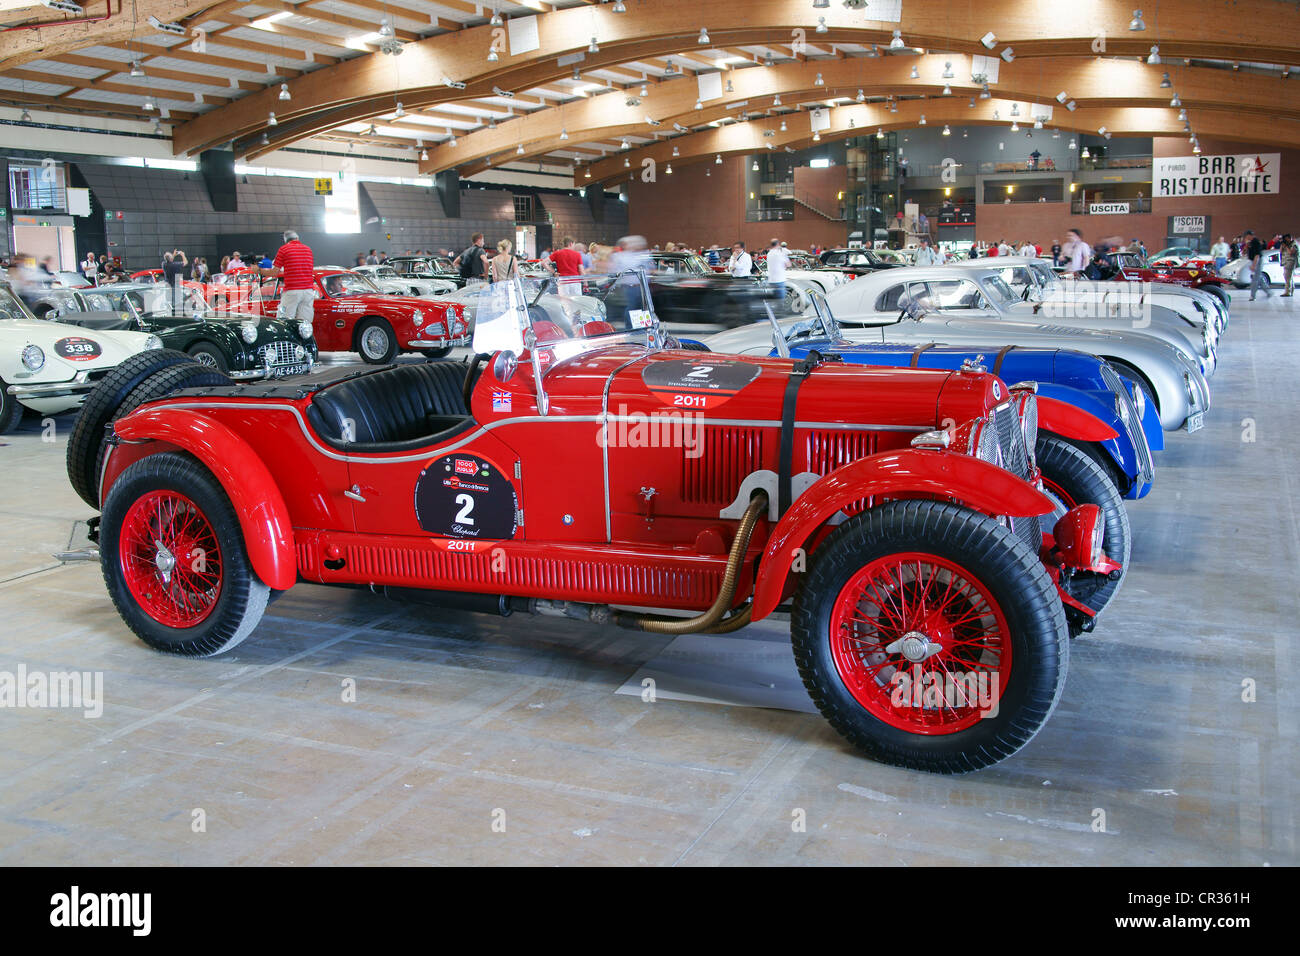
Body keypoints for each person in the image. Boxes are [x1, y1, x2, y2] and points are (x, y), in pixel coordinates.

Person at [262, 230, 316, 325]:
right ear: (297, 238)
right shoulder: (308, 249)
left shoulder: (284, 249)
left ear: (285, 240)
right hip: (308, 291)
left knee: (284, 321)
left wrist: (259, 271)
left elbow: (274, 272)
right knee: (305, 324)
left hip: (292, 291)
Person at [1245, 230, 1271, 300]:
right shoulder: (1251, 243)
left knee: (1255, 279)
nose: (1246, 238)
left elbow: (1257, 255)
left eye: (1247, 236)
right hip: (1254, 261)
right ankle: (1269, 292)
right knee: (1259, 278)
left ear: (1250, 235)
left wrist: (1254, 265)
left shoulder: (1256, 242)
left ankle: (1253, 296)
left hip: (1258, 261)